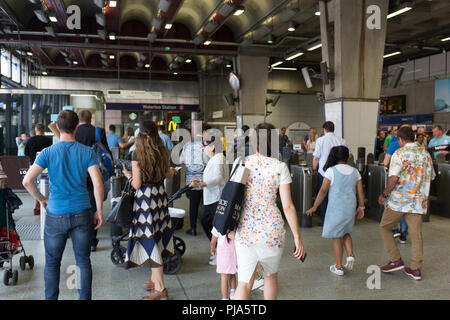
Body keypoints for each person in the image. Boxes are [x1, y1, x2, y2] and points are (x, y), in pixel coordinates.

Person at [22, 110, 104, 300]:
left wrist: (42, 198)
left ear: (57, 128)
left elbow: (27, 181)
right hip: (82, 212)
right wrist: (99, 210)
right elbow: (98, 184)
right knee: (83, 261)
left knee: (52, 263)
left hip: (55, 214)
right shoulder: (87, 152)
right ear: (76, 127)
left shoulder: (48, 153)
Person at [232, 122, 306, 300]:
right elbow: (288, 206)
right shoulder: (279, 167)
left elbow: (232, 197)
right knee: (270, 277)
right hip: (272, 232)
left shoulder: (242, 163)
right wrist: (297, 237)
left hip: (245, 231)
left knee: (244, 283)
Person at [121, 120, 177, 300]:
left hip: (146, 201)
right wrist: (170, 171)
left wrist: (128, 175)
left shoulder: (137, 153)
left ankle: (160, 289)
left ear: (140, 135)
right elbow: (168, 174)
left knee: (149, 239)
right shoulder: (163, 150)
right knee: (158, 236)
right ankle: (154, 279)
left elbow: (137, 184)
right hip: (160, 198)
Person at [378, 126, 435, 281]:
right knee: (416, 235)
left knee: (385, 227)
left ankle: (395, 259)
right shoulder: (425, 154)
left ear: (401, 139)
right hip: (417, 202)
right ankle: (416, 270)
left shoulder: (399, 153)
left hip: (399, 201)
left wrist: (384, 194)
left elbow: (394, 178)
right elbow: (430, 177)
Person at [306, 146, 365, 276]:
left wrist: (315, 206)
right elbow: (360, 191)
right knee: (346, 231)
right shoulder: (355, 172)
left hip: (336, 209)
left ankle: (338, 267)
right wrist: (361, 207)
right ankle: (350, 255)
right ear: (348, 156)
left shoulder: (331, 171)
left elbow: (323, 191)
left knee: (336, 237)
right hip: (350, 207)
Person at [75, 110, 110, 252]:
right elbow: (106, 151)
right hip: (94, 172)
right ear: (90, 119)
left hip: (77, 173)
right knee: (93, 206)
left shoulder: (74, 131)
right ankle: (92, 242)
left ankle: (79, 238)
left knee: (77, 205)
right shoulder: (98, 131)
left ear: (79, 119)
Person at [190, 139, 229, 265]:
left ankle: (221, 253)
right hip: (211, 197)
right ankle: (218, 250)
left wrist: (203, 183)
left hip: (217, 197)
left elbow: (218, 177)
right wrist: (200, 179)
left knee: (216, 227)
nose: (203, 148)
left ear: (212, 147)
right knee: (206, 221)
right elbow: (212, 176)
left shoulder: (218, 158)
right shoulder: (215, 158)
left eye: (205, 146)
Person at [313, 121, 346, 226]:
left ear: (324, 129)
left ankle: (325, 221)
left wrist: (314, 169)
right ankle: (337, 220)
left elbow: (316, 158)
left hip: (324, 173)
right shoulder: (341, 140)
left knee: (323, 196)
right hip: (339, 172)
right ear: (333, 129)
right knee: (337, 196)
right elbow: (348, 155)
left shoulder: (320, 140)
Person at [180, 124, 209, 236]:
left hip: (191, 180)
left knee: (193, 204)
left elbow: (182, 160)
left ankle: (193, 228)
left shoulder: (187, 145)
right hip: (205, 179)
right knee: (207, 204)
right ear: (203, 133)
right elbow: (208, 160)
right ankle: (210, 229)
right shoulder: (206, 145)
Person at [24, 123, 52, 216]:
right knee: (44, 186)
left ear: (36, 130)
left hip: (33, 166)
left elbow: (26, 152)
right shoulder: (48, 140)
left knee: (33, 185)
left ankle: (37, 205)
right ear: (44, 130)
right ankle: (43, 204)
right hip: (45, 167)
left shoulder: (30, 140)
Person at [210, 227, 237, 300]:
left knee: (224, 277)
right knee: (232, 274)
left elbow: (213, 240)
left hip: (223, 254)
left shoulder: (218, 223)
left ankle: (225, 298)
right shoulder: (235, 222)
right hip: (234, 253)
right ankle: (233, 293)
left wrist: (212, 249)